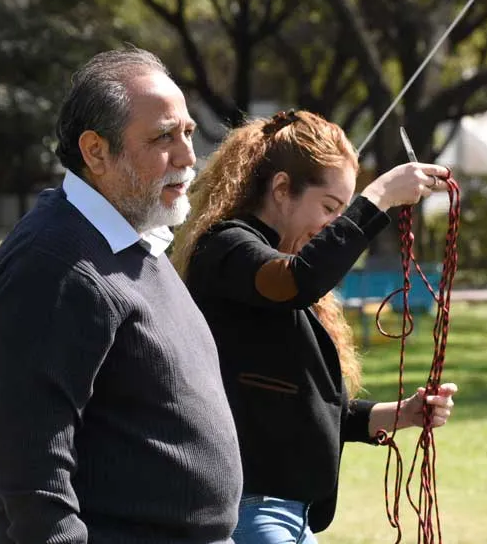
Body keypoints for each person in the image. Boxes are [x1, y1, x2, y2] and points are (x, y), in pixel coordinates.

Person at [0, 47, 242, 544]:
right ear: (96, 151)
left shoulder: (137, 241)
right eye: (163, 137)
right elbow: (33, 473)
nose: (188, 156)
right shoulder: (55, 264)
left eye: (187, 132)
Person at [170, 109, 459, 544]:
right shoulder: (227, 248)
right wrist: (378, 196)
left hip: (293, 517)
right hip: (252, 513)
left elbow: (317, 411)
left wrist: (402, 414)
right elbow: (297, 280)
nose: (333, 227)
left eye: (342, 213)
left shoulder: (283, 278)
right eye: (330, 208)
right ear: (282, 188)